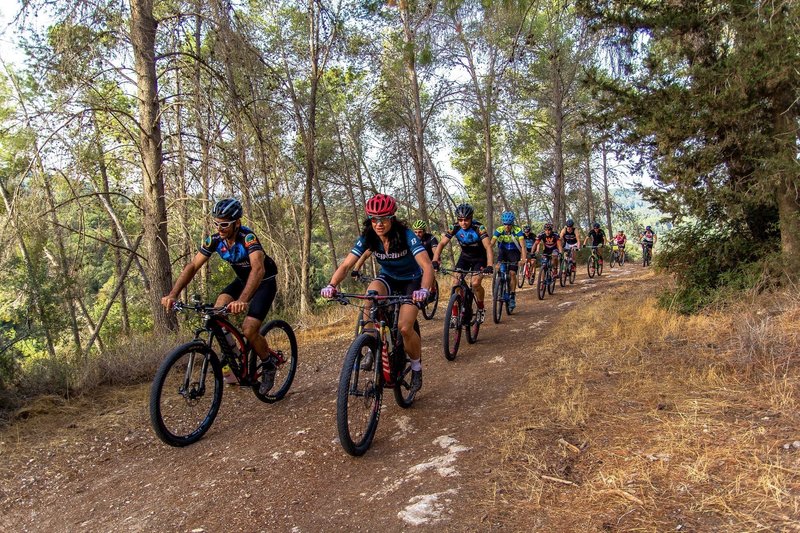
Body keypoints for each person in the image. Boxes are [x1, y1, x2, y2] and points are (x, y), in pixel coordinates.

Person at [161, 198, 280, 394]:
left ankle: (268, 363)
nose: (220, 228)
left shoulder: (248, 238)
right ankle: (232, 357)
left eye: (224, 224)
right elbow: (192, 266)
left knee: (249, 329)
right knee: (216, 313)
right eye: (216, 223)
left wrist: (242, 300)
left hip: (264, 282)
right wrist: (173, 294)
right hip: (242, 280)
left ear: (237, 223)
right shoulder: (214, 240)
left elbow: (258, 269)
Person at [321, 194, 433, 398]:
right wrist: (332, 284)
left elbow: (426, 265)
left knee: (405, 327)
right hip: (388, 278)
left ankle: (416, 368)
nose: (378, 224)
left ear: (392, 218)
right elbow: (346, 264)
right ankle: (372, 346)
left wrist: (424, 290)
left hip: (412, 281)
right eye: (374, 219)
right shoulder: (368, 237)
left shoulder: (407, 235)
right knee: (370, 296)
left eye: (383, 218)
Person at [431, 203, 494, 324]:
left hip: (479, 258)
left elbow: (488, 246)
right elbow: (442, 244)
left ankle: (480, 307)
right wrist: (435, 260)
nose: (463, 223)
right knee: (456, 283)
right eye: (460, 220)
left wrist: (490, 265)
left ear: (471, 218)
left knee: (475, 283)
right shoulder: (454, 227)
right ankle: (455, 315)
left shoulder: (479, 228)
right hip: (464, 257)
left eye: (466, 220)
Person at [490, 211, 525, 311]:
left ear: (512, 223)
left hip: (514, 252)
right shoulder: (499, 230)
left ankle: (512, 296)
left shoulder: (517, 230)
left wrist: (523, 259)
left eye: (509, 224)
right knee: (500, 269)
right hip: (503, 252)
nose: (507, 227)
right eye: (505, 224)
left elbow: (523, 246)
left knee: (512, 273)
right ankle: (500, 286)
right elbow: (491, 244)